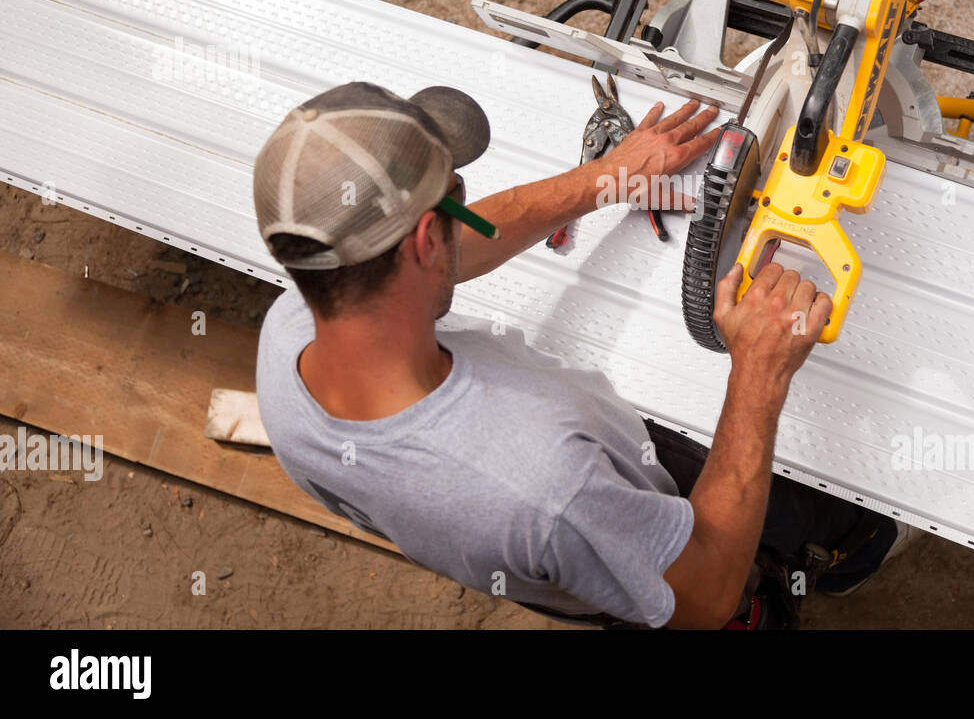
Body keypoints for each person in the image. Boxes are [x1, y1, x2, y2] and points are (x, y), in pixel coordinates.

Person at [252, 80, 899, 630]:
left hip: (570, 517)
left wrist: (603, 178)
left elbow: (462, 239)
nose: (465, 212)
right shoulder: (544, 485)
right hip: (682, 581)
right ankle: (844, 566)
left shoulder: (292, 331)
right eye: (453, 197)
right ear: (425, 241)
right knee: (776, 555)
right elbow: (704, 594)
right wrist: (758, 372)